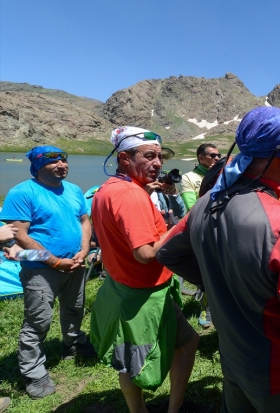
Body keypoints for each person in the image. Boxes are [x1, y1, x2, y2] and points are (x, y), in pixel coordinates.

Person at [157, 106, 280, 413]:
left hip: (232, 359)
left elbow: (167, 251)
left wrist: (216, 280)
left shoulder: (205, 205)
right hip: (277, 374)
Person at [89, 126, 200, 413]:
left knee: (131, 362)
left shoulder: (107, 190)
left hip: (122, 288)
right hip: (142, 297)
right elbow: (146, 253)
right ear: (125, 158)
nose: (158, 164)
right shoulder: (131, 196)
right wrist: (182, 224)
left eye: (160, 157)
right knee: (148, 358)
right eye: (149, 156)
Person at [0, 146, 95, 399]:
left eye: (64, 160)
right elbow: (19, 236)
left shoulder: (74, 190)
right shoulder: (22, 193)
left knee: (75, 307)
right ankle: (33, 371)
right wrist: (54, 261)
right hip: (40, 269)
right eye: (53, 162)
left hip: (75, 263)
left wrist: (84, 250)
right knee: (38, 320)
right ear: (38, 166)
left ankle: (73, 343)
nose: (61, 165)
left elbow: (84, 221)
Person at [180, 143, 221, 210]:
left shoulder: (221, 174)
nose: (217, 158)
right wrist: (210, 176)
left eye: (218, 155)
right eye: (213, 155)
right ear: (201, 158)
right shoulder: (187, 177)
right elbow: (191, 207)